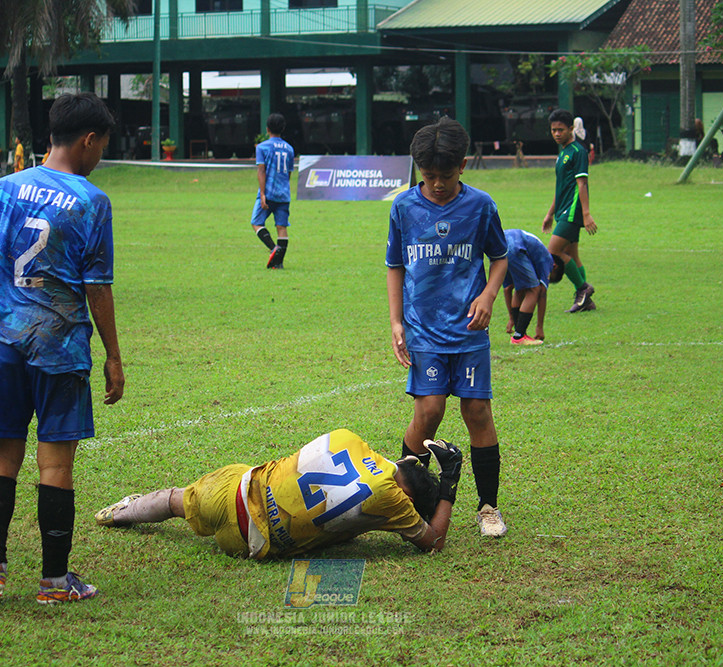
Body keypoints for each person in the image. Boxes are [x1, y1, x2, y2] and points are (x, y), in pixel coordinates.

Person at [0, 92, 125, 605]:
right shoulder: (92, 201)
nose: (101, 154)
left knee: (1, 457)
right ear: (88, 140)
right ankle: (54, 582)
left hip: (5, 342)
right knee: (56, 465)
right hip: (62, 348)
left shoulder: (5, 187)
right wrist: (112, 354)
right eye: (102, 145)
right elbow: (98, 287)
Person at [385, 116, 510, 538]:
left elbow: (500, 257)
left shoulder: (481, 206)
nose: (437, 183)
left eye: (446, 174)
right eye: (429, 175)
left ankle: (488, 507)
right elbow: (395, 266)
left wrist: (489, 295)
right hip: (424, 329)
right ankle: (405, 499)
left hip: (469, 329)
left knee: (477, 411)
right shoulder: (403, 207)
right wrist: (396, 321)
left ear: (463, 166)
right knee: (430, 411)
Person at [95, 430, 462, 558]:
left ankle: (124, 510)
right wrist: (449, 481)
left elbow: (377, 472)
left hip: (231, 489)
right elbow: (434, 541)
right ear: (409, 499)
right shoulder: (393, 502)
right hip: (247, 543)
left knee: (177, 499)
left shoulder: (348, 437)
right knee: (344, 531)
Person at [542, 108, 597, 314]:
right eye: (553, 130)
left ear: (571, 129)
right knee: (572, 255)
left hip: (573, 211)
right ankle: (586, 301)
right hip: (563, 210)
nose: (557, 134)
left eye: (561, 130)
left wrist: (586, 213)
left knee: (553, 252)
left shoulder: (577, 151)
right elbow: (561, 188)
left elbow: (581, 183)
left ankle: (583, 289)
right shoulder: (563, 153)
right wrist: (550, 214)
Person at [501, 229, 565, 345]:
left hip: (500, 244)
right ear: (555, 267)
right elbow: (542, 292)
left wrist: (512, 318)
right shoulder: (548, 260)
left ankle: (519, 333)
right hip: (515, 246)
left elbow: (508, 288)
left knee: (520, 288)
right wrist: (539, 327)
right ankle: (519, 336)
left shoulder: (534, 254)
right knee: (533, 289)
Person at [250, 113, 295, 269]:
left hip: (268, 192)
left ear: (267, 129)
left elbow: (261, 171)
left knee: (256, 222)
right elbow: (288, 173)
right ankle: (279, 262)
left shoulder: (262, 147)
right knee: (281, 227)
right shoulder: (289, 149)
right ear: (282, 129)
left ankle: (273, 249)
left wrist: (262, 194)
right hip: (283, 194)